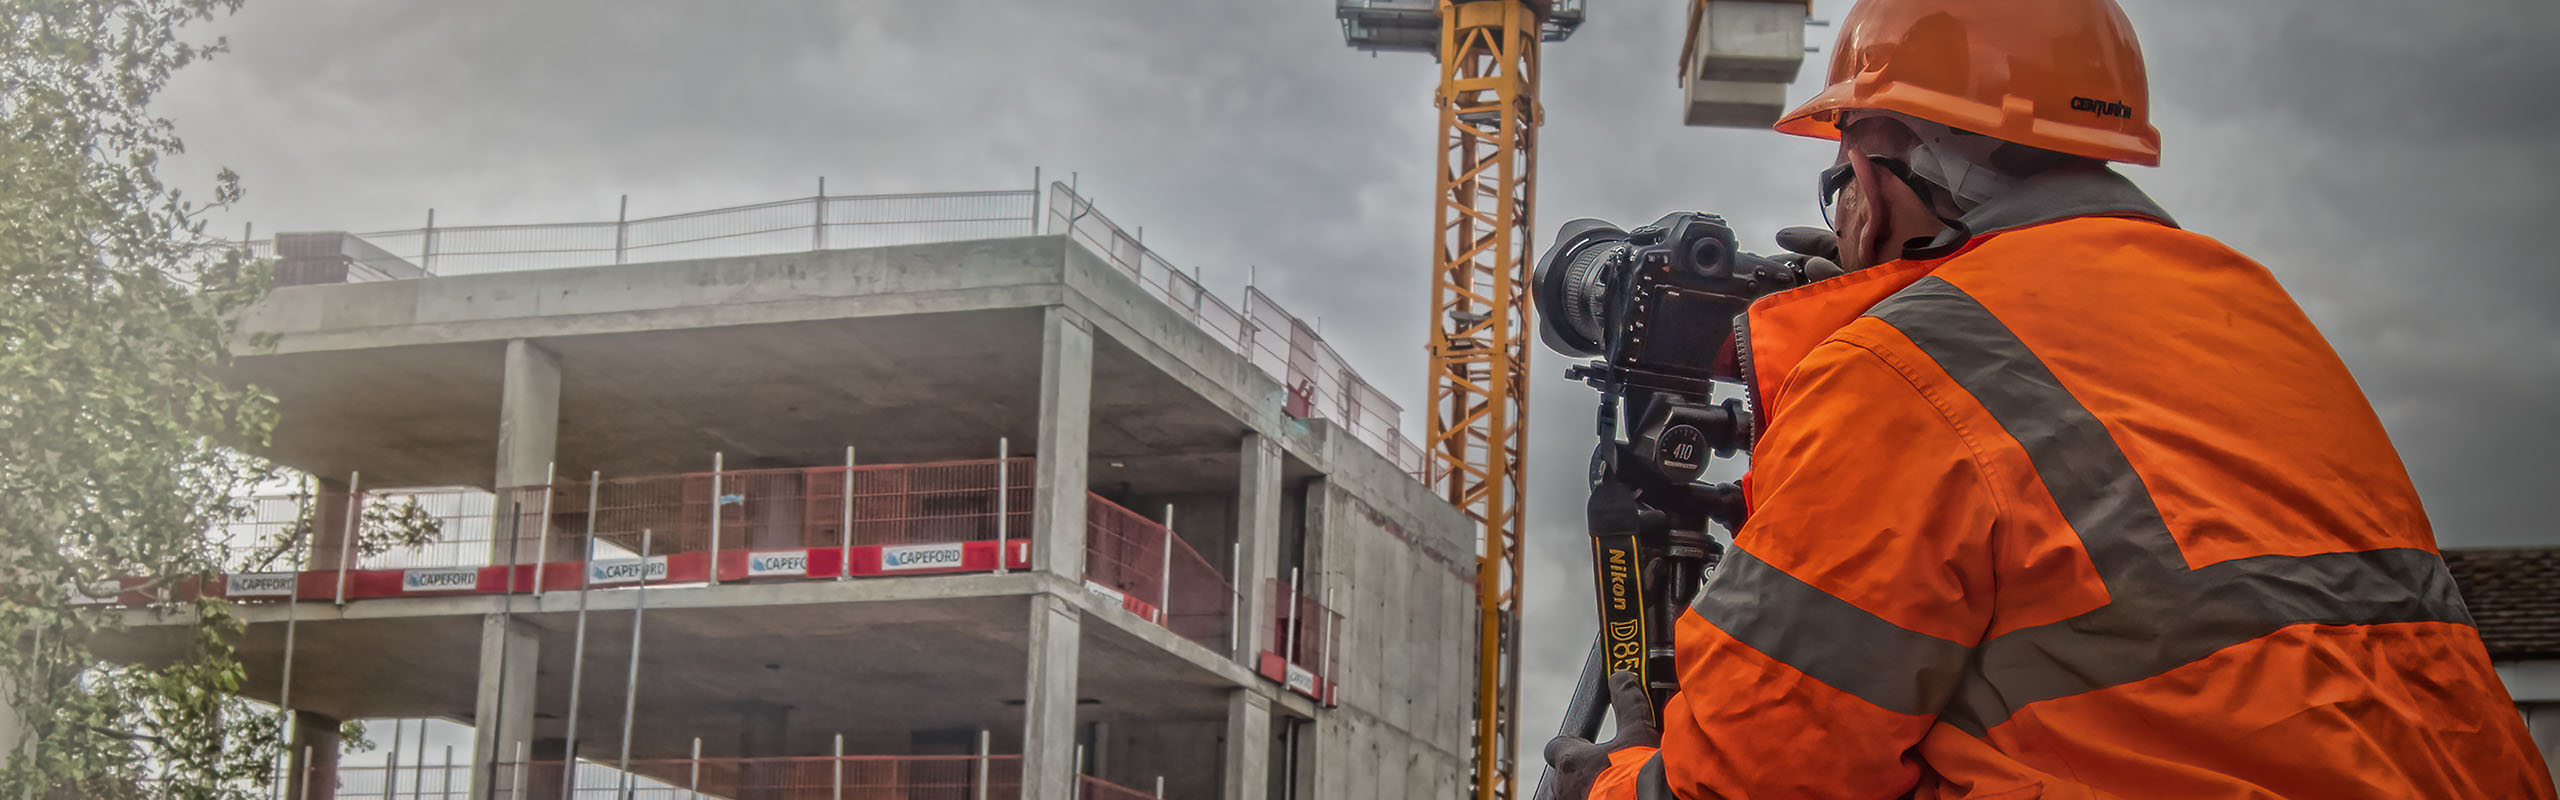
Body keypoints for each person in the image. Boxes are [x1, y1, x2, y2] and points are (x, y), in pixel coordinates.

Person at [1543, 0, 2555, 797]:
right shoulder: (2253, 310)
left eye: (1838, 174)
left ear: (1879, 172)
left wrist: (1623, 780)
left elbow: (1756, 780)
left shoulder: (1898, 369)